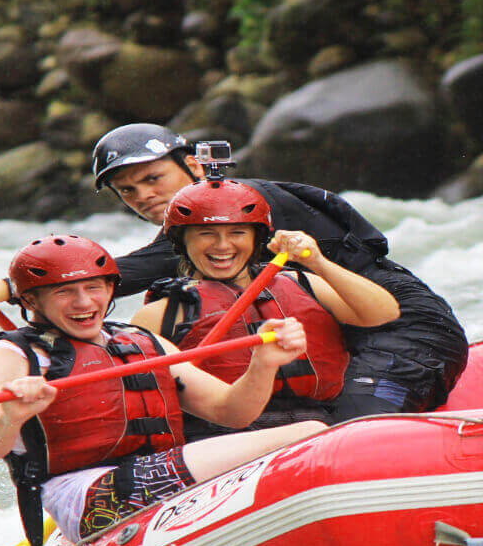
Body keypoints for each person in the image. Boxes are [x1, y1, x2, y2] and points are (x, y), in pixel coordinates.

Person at [0, 123, 467, 420]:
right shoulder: (188, 238)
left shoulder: (240, 201)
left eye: (154, 178)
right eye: (127, 191)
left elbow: (141, 267)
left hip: (405, 329)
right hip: (337, 329)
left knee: (349, 426)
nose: (143, 196)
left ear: (195, 167)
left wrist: (13, 286)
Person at [0, 235, 327, 546]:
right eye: (65, 293)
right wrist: (10, 417)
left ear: (110, 288)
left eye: (94, 288)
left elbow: (232, 412)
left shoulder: (141, 342)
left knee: (310, 437)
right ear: (30, 301)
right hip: (85, 498)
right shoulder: (4, 356)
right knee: (312, 434)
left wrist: (263, 363)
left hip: (155, 475)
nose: (84, 303)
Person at [128, 175, 399, 433]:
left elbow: (383, 313)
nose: (223, 245)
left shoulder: (301, 282)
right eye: (206, 233)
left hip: (320, 422)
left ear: (256, 238)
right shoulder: (159, 315)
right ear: (181, 241)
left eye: (237, 232)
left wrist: (317, 261)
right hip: (222, 436)